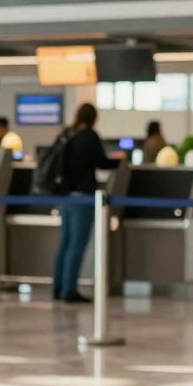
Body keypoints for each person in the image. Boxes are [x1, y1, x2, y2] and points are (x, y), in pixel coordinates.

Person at [52, 103, 122, 303]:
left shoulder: (68, 133)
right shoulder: (89, 136)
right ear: (93, 118)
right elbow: (101, 162)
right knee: (76, 244)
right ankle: (69, 290)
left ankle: (58, 288)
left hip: (64, 197)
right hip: (82, 198)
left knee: (65, 243)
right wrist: (119, 161)